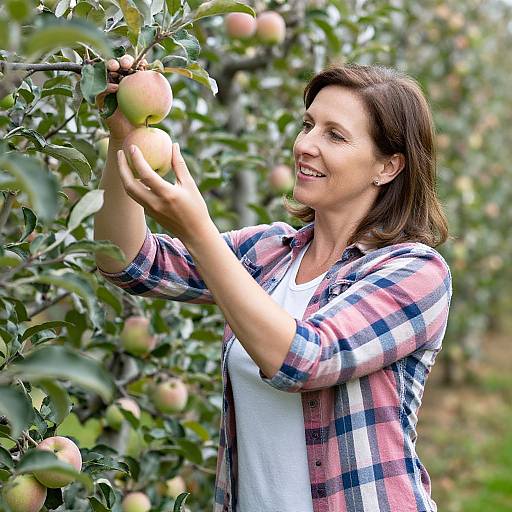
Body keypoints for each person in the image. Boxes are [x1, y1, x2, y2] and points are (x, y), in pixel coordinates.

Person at [94, 62, 452, 512]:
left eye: (334, 135)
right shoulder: (269, 252)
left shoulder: (416, 272)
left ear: (388, 166)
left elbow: (304, 360)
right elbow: (126, 261)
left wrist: (197, 231)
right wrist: (123, 140)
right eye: (308, 125)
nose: (305, 145)